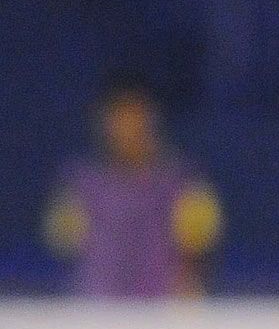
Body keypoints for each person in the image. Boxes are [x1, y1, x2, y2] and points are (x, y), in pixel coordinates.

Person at [43, 77, 223, 298]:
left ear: (152, 121)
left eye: (136, 118)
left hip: (163, 316)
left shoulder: (185, 185)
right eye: (120, 120)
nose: (128, 130)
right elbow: (64, 248)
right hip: (95, 314)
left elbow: (196, 254)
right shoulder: (80, 186)